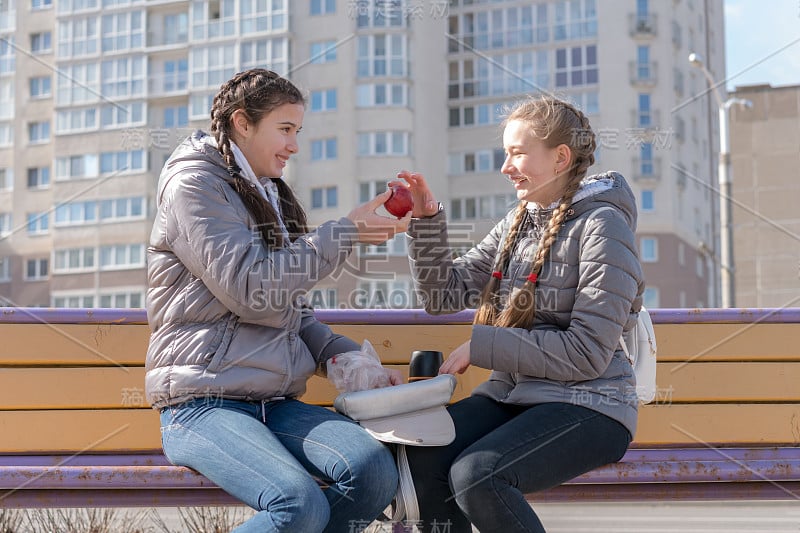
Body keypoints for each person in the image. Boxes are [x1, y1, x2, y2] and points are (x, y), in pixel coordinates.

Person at [145, 68, 408, 533]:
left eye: (297, 131)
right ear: (242, 123)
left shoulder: (264, 193)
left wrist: (341, 357)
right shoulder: (194, 187)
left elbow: (289, 310)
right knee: (297, 505)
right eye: (284, 130)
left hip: (274, 403)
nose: (294, 145)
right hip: (204, 404)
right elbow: (251, 290)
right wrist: (344, 234)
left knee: (373, 473)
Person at [395, 95, 645, 533]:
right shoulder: (519, 221)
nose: (505, 167)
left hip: (590, 403)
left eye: (517, 153)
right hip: (514, 396)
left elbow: (586, 353)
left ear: (560, 158)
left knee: (478, 476)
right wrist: (428, 220)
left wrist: (484, 343)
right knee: (420, 457)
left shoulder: (603, 227)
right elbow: (443, 294)